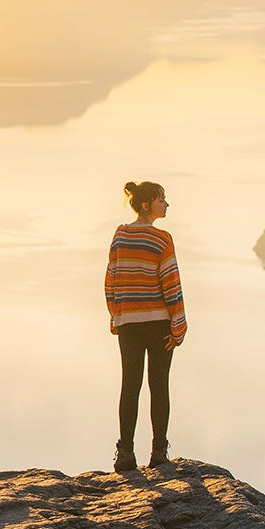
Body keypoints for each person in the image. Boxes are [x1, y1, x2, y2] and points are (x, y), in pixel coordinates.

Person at [104, 180, 186, 472]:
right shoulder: (162, 239)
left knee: (130, 386)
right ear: (146, 204)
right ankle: (159, 454)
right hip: (159, 324)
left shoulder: (120, 235)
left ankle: (125, 453)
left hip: (129, 325)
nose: (166, 204)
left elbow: (111, 279)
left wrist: (117, 316)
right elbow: (172, 286)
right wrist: (178, 329)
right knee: (158, 386)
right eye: (162, 199)